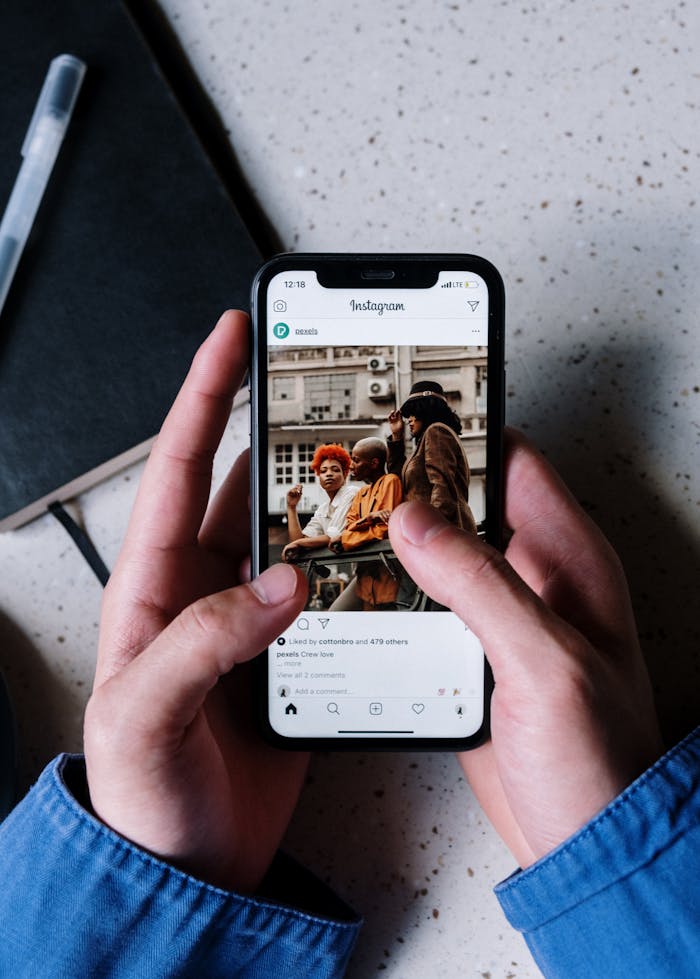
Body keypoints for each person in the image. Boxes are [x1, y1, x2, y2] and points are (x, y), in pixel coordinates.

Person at [0, 311, 698, 978]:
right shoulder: (391, 464)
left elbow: (417, 509)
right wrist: (616, 858)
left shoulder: (425, 453)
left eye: (396, 427)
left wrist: (141, 887)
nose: (379, 445)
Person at [387, 380, 477, 532]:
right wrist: (396, 436)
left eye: (413, 413)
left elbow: (442, 488)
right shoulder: (425, 441)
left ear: (425, 410)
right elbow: (398, 481)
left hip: (441, 536)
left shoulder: (436, 432)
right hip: (425, 533)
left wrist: (432, 530)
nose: (409, 419)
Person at [328, 437, 403, 610]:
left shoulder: (390, 481)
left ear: (374, 463)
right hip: (364, 579)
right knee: (334, 615)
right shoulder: (361, 493)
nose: (351, 466)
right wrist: (370, 518)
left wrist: (346, 540)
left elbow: (383, 531)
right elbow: (349, 527)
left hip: (387, 578)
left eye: (356, 460)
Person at [282, 443, 357, 563]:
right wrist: (291, 507)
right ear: (319, 476)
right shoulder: (323, 509)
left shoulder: (351, 493)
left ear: (345, 475)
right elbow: (300, 540)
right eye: (323, 471)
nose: (329, 474)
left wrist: (298, 543)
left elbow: (333, 536)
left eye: (335, 470)